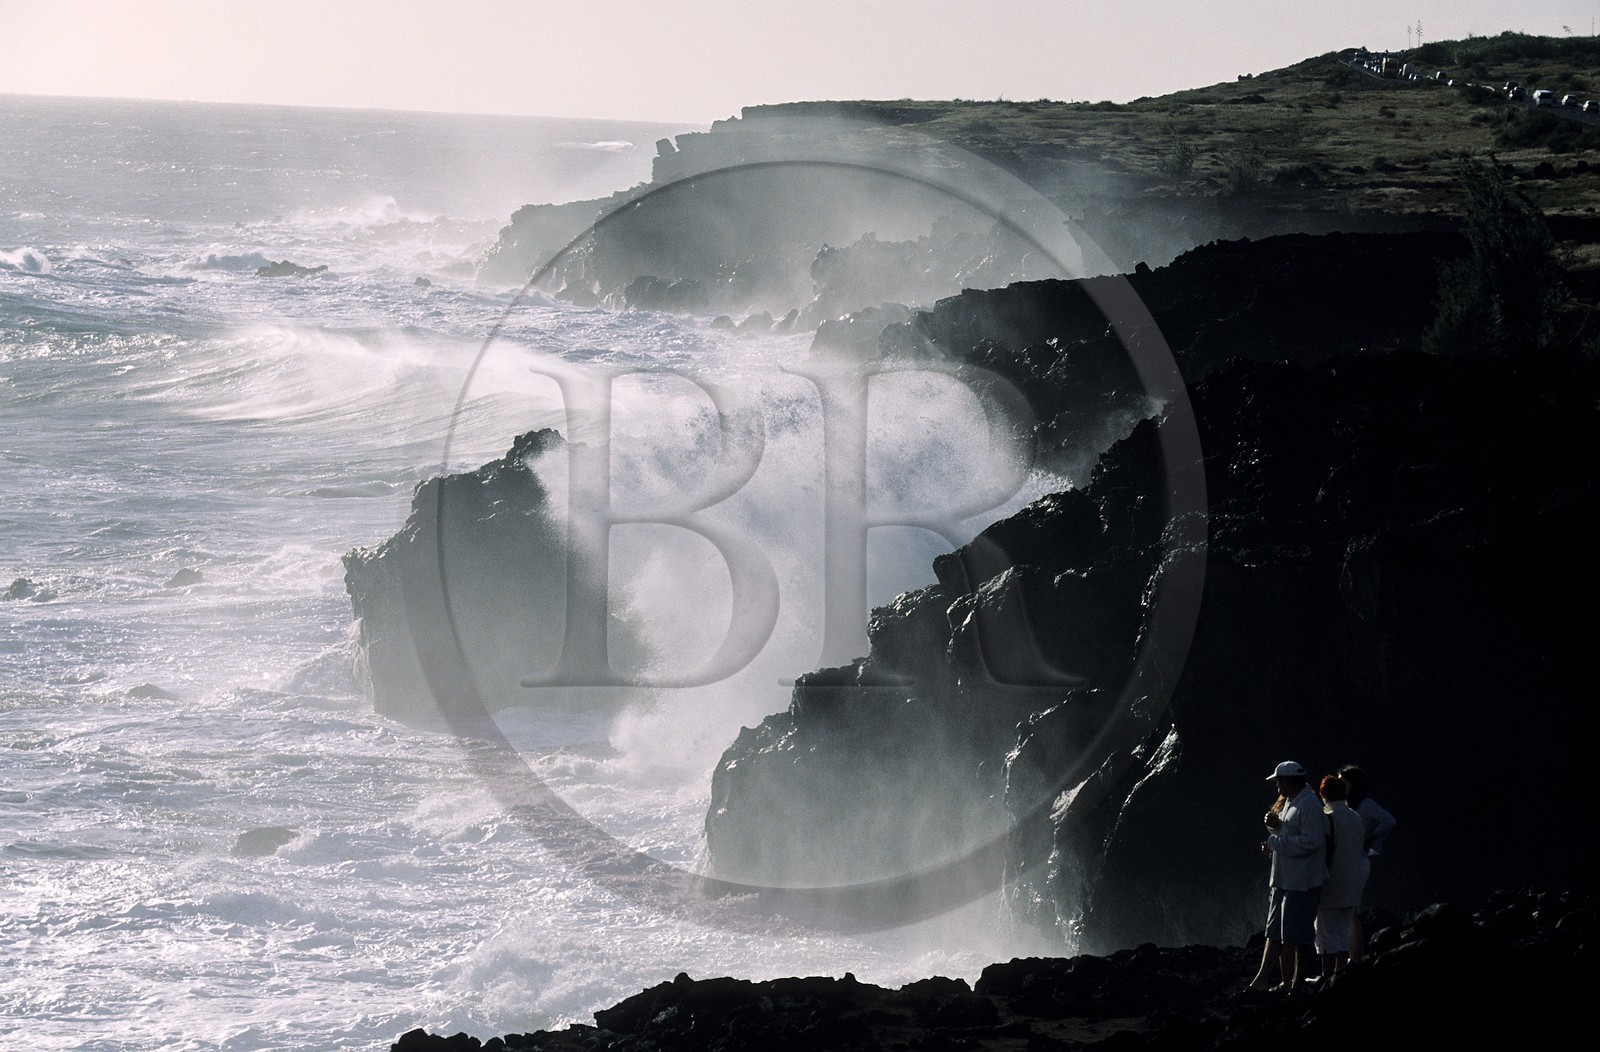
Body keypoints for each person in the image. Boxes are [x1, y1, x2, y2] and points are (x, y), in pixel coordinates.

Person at [1246, 760, 1328, 994]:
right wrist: (1275, 827)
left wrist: (1275, 842)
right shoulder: (1294, 802)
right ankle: (1271, 981)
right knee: (1276, 932)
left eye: (1278, 781)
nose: (1276, 786)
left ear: (1287, 781)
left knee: (1297, 935)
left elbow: (1312, 842)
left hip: (1301, 883)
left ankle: (1297, 985)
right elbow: (1294, 833)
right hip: (1285, 880)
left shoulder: (1309, 805)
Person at [1338, 764, 1397, 963]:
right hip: (1350, 861)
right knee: (1347, 911)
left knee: (1350, 911)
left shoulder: (1365, 804)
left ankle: (1355, 959)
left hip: (1357, 861)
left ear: (1353, 785)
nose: (1340, 785)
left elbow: (1389, 820)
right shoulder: (1351, 805)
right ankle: (1352, 957)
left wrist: (1371, 838)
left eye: (1343, 782)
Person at [1314, 774, 1369, 978]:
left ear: (1323, 795)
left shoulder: (1327, 818)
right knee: (1343, 931)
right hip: (1352, 883)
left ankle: (1327, 976)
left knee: (1326, 933)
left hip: (1331, 884)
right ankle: (1340, 973)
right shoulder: (1356, 817)